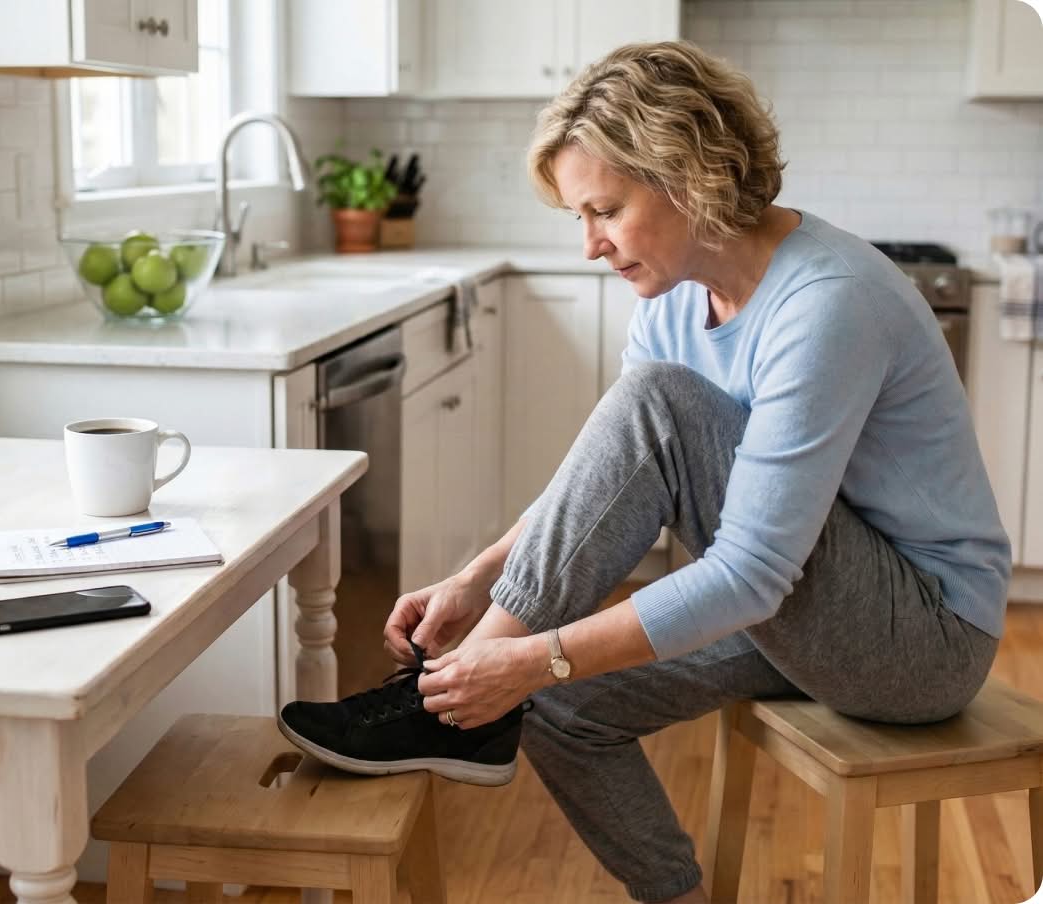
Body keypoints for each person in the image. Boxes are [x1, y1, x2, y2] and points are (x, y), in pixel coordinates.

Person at [280, 41, 1010, 904]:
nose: (591, 245)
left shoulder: (826, 303)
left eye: (605, 210)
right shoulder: (673, 300)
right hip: (809, 611)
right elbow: (606, 481)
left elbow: (748, 574)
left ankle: (433, 703)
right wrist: (480, 578)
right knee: (554, 703)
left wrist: (528, 656)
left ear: (687, 175)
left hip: (921, 641)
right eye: (577, 218)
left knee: (641, 441)